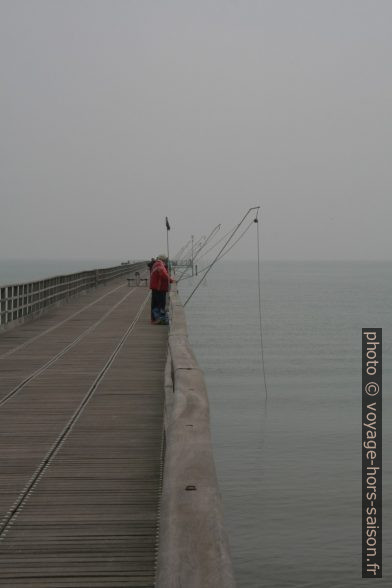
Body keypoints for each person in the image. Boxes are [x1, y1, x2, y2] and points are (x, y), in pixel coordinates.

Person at [149, 255, 173, 324]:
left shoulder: (156, 264)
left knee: (155, 304)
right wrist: (171, 280)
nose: (166, 261)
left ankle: (154, 319)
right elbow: (164, 274)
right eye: (166, 260)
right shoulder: (160, 265)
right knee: (160, 304)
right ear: (164, 260)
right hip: (159, 288)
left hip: (156, 287)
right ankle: (158, 319)